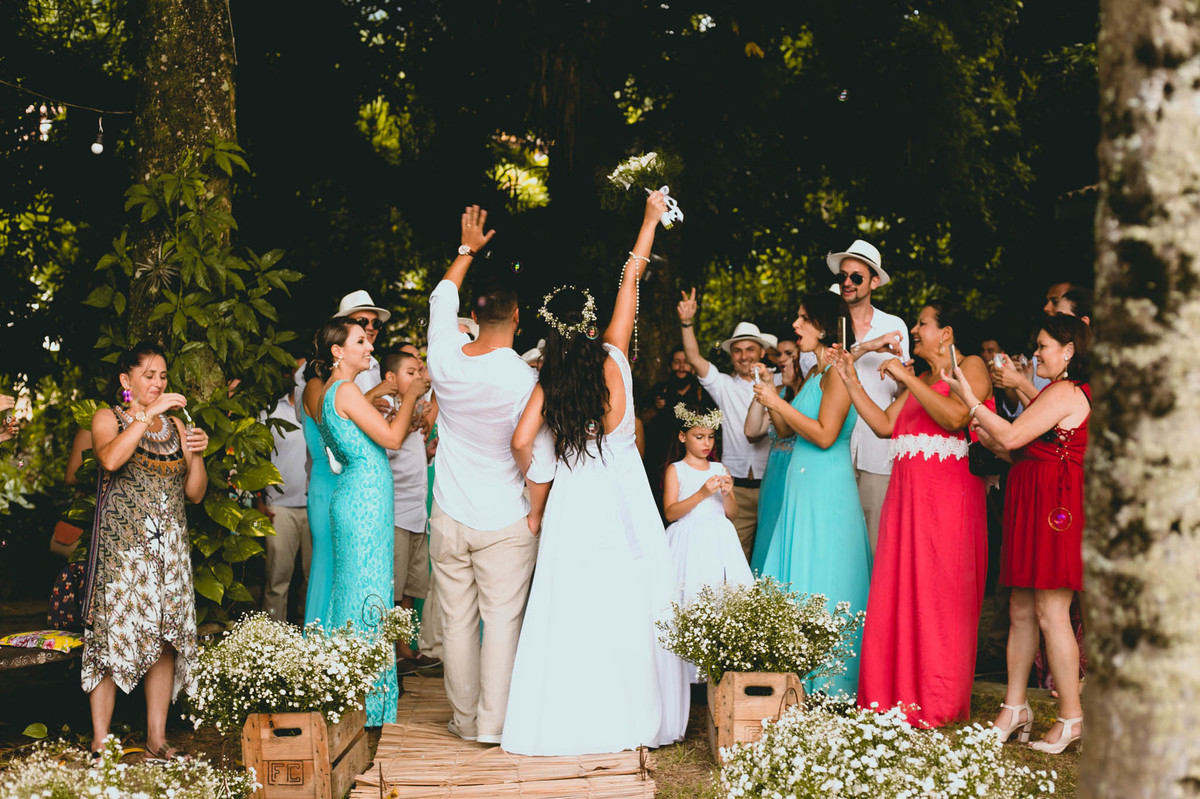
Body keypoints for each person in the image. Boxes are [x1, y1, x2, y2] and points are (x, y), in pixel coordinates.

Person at [503, 192, 687, 755]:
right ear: (587, 324)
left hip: (577, 496)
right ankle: (635, 710)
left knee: (573, 601)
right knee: (633, 594)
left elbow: (519, 440)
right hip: (625, 490)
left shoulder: (550, 380)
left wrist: (535, 494)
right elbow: (630, 278)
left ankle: (572, 714)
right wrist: (650, 219)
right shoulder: (614, 357)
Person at [828, 301, 992, 728]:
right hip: (906, 501)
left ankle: (937, 699)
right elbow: (884, 425)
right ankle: (895, 694)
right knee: (902, 590)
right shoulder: (918, 378)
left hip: (948, 502)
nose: (915, 330)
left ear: (947, 333)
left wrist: (904, 378)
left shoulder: (970, 367)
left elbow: (957, 416)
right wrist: (849, 378)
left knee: (941, 596)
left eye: (922, 323)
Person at [943, 314, 1091, 754]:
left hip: (1055, 509)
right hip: (1032, 503)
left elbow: (1010, 435)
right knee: (1021, 608)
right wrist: (991, 439)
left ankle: (1072, 717)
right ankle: (1014, 707)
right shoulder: (1051, 393)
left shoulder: (1066, 390)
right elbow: (1020, 450)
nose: (1036, 354)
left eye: (1043, 346)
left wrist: (970, 399)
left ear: (1068, 351)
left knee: (1051, 611)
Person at [425, 207, 542, 746]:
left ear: (476, 315)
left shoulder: (444, 359)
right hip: (505, 518)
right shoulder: (523, 379)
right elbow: (537, 452)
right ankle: (493, 727)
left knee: (455, 623)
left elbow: (440, 298)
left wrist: (466, 250)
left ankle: (465, 720)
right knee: (501, 624)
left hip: (448, 512)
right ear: (517, 317)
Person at [82, 342, 209, 760]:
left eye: (163, 376)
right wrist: (146, 416)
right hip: (122, 553)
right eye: (149, 375)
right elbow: (111, 460)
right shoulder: (109, 417)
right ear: (126, 380)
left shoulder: (174, 426)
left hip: (169, 551)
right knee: (109, 638)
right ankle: (101, 740)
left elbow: (194, 494)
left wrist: (198, 454)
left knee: (164, 640)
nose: (157, 383)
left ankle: (157, 738)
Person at [750, 292, 872, 696]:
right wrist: (770, 396)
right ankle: (794, 675)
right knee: (798, 573)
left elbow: (823, 435)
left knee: (824, 570)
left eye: (803, 319)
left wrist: (776, 404)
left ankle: (831, 682)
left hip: (826, 488)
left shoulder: (837, 372)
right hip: (800, 490)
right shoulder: (815, 375)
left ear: (823, 327)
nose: (796, 326)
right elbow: (785, 431)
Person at [313, 317, 430, 726]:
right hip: (363, 502)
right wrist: (412, 394)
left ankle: (347, 692)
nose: (370, 349)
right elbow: (393, 438)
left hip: (360, 498)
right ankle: (364, 702)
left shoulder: (333, 392)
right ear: (337, 351)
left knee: (357, 595)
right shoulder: (345, 389)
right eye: (360, 341)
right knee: (367, 598)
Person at [827, 239, 909, 555]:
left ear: (874, 282)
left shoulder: (894, 325)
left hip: (878, 451)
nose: (847, 283)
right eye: (843, 277)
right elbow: (821, 373)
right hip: (834, 448)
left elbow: (901, 392)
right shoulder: (828, 325)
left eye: (856, 277)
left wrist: (906, 382)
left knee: (877, 543)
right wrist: (869, 347)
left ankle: (874, 606)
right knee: (837, 542)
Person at [662, 402, 752, 685]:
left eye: (711, 437)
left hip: (719, 539)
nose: (706, 443)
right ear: (682, 437)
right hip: (689, 539)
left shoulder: (719, 467)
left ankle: (717, 671)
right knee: (689, 596)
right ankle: (684, 675)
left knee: (719, 595)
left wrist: (727, 493)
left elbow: (732, 513)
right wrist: (702, 493)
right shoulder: (676, 470)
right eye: (699, 437)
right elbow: (670, 512)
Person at [677, 297, 773, 562]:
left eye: (750, 349)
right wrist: (687, 322)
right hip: (735, 488)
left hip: (772, 484)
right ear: (731, 356)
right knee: (736, 556)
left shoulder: (779, 384)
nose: (744, 356)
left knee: (770, 555)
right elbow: (694, 358)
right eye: (738, 351)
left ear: (761, 352)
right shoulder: (723, 385)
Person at [379, 350, 439, 673]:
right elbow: (388, 448)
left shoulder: (412, 413)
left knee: (412, 589)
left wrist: (427, 453)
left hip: (418, 512)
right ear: (390, 379)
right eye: (410, 372)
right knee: (395, 585)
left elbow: (410, 458)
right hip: (397, 513)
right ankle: (388, 652)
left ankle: (404, 648)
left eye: (419, 372)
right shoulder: (387, 411)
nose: (418, 378)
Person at [260, 371, 311, 623]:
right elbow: (254, 459)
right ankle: (273, 639)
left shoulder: (319, 409)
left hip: (315, 506)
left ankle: (309, 634)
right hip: (279, 508)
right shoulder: (270, 412)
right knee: (277, 579)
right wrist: (259, 501)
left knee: (314, 578)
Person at [743, 341, 802, 556]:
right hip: (774, 476)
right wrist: (764, 386)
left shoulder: (808, 398)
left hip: (797, 474)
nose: (781, 360)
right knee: (768, 537)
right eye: (779, 354)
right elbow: (751, 430)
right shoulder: (780, 394)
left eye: (789, 354)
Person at [641, 346, 709, 512]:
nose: (681, 366)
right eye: (676, 362)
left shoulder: (702, 392)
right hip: (659, 460)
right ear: (669, 366)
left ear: (693, 366)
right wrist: (655, 408)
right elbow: (640, 421)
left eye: (685, 362)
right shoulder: (660, 390)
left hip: (692, 460)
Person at [300, 356, 337, 627]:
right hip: (325, 483)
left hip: (346, 485)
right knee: (325, 564)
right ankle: (318, 642)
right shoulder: (314, 384)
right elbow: (328, 421)